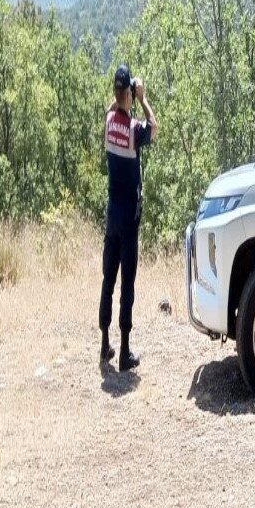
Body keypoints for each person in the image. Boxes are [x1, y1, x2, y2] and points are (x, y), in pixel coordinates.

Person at [98, 64, 157, 371]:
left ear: (114, 91)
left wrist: (122, 94)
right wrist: (142, 98)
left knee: (108, 279)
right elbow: (154, 127)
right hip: (129, 217)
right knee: (127, 285)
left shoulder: (109, 122)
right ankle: (124, 352)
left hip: (111, 215)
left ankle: (104, 344)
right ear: (129, 95)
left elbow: (111, 109)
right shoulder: (134, 130)